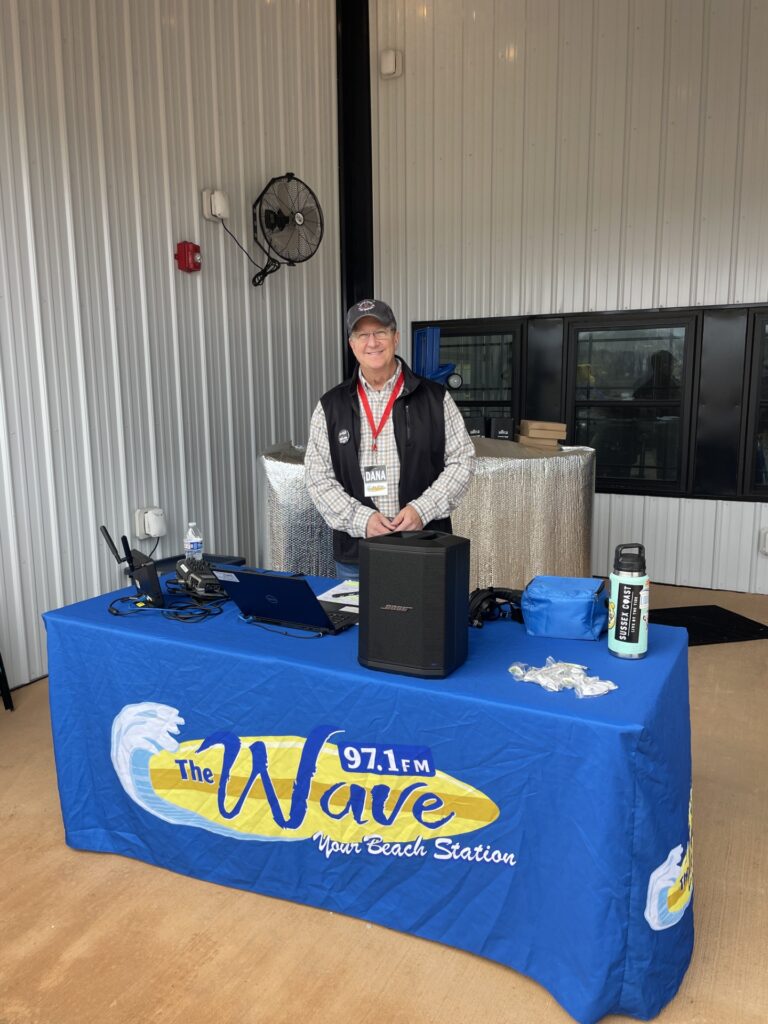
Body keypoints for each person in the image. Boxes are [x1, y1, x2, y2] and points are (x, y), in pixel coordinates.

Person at [305, 299, 475, 578]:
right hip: (357, 557)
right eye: (362, 335)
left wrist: (422, 510)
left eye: (380, 332)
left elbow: (462, 461)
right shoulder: (330, 406)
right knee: (358, 610)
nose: (372, 342)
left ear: (395, 338)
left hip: (424, 548)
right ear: (352, 345)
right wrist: (361, 519)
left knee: (426, 609)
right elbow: (317, 477)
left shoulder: (435, 399)